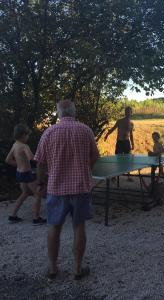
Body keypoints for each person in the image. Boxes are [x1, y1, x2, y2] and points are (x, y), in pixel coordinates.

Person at [34, 99, 99, 280]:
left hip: (56, 188)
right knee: (79, 226)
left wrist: (40, 183)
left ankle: (53, 269)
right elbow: (95, 157)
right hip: (81, 188)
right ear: (73, 112)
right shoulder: (85, 130)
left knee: (54, 227)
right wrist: (85, 171)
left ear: (59, 113)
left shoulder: (49, 132)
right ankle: (77, 269)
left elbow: (40, 162)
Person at [5, 124, 46, 225]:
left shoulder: (15, 145)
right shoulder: (24, 146)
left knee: (25, 193)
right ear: (23, 135)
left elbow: (8, 160)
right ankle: (36, 218)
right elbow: (32, 157)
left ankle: (13, 215)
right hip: (26, 174)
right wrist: (41, 155)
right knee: (38, 193)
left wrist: (19, 164)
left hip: (19, 173)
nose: (28, 137)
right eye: (27, 135)